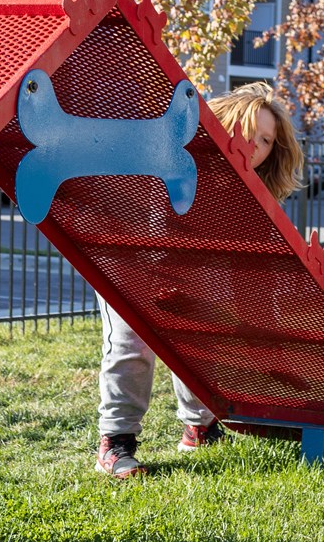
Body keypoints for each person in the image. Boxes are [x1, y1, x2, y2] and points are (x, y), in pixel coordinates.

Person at [96, 81, 304, 478]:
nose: (255, 145)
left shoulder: (249, 198)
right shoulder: (175, 156)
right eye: (248, 131)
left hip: (187, 274)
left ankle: (199, 427)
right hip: (130, 264)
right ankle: (116, 441)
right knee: (132, 344)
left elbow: (252, 283)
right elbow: (144, 222)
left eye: (265, 140)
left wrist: (265, 344)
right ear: (224, 124)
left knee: (202, 335)